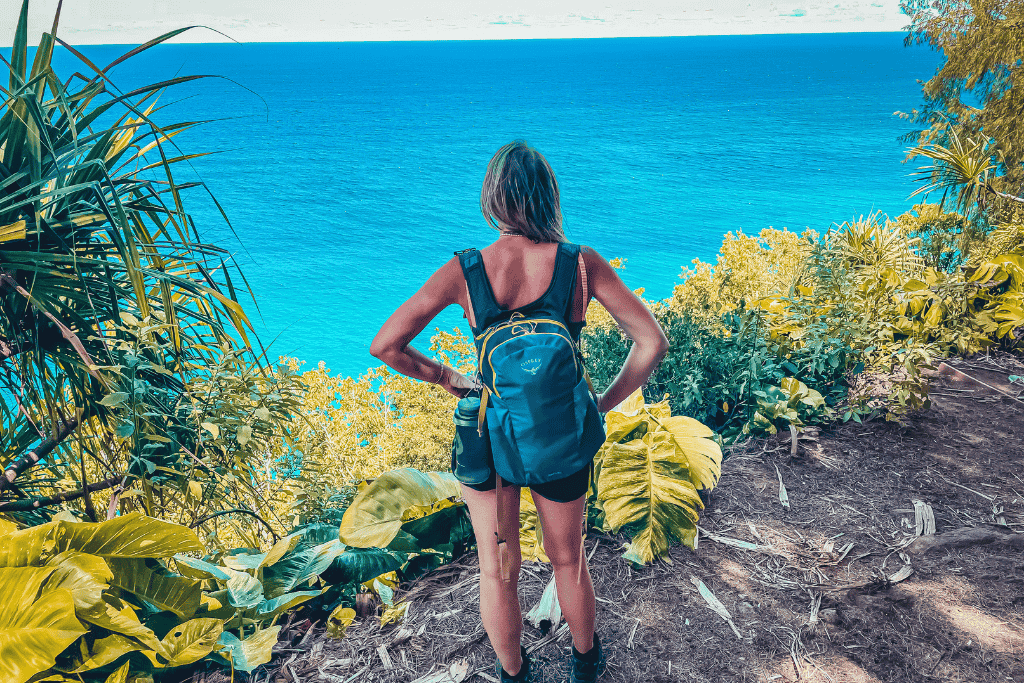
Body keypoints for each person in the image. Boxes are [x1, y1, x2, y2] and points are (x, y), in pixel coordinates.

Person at [370, 141, 668, 683]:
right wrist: (600, 405)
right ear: (548, 197)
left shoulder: (465, 270)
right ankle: (584, 662)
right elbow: (650, 342)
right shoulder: (580, 264)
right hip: (561, 433)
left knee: (497, 569)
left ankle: (513, 672)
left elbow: (385, 345)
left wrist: (448, 378)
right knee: (567, 558)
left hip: (489, 435)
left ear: (493, 200)